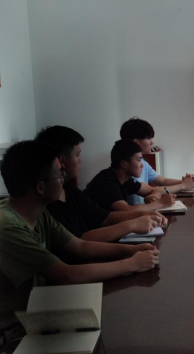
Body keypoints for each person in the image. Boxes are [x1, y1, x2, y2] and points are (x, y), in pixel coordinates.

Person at [0, 142, 160, 330]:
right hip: (14, 330)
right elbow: (67, 275)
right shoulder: (8, 227)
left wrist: (131, 249)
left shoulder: (39, 213)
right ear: (41, 187)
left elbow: (80, 246)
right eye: (59, 175)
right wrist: (132, 264)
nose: (63, 180)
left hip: (40, 308)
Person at [35, 126, 167, 243]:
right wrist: (134, 223)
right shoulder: (105, 182)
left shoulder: (69, 189)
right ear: (61, 161)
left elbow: (106, 216)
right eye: (77, 155)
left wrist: (144, 215)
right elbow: (81, 242)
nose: (80, 160)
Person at [120, 117, 194, 205]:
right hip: (137, 211)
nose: (152, 142)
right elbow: (150, 190)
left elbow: (163, 181)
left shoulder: (143, 162)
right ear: (136, 142)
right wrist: (183, 186)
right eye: (149, 138)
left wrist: (187, 182)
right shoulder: (129, 166)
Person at [85, 140, 176, 212]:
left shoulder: (126, 180)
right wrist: (160, 203)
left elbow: (152, 190)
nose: (142, 165)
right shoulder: (106, 181)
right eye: (139, 160)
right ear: (124, 164)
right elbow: (126, 210)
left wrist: (153, 197)